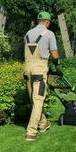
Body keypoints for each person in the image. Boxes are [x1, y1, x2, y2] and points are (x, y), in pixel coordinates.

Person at [23, 11, 60, 141]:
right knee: (38, 100)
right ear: (47, 22)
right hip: (39, 69)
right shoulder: (49, 34)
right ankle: (31, 132)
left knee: (34, 100)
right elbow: (55, 55)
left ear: (38, 21)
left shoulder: (28, 33)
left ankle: (43, 124)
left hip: (27, 69)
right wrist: (57, 62)